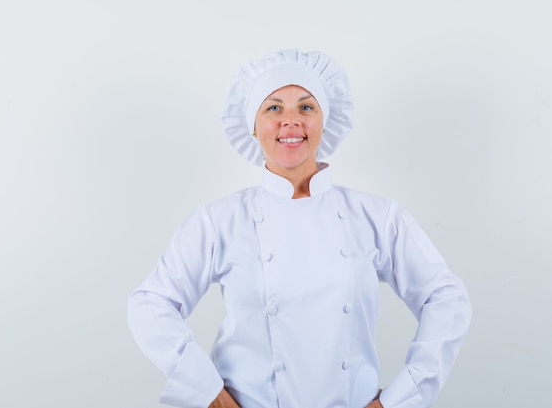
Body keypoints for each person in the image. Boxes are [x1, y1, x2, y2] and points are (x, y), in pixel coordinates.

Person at [127, 49, 472, 408]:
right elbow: (150, 304)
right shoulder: (218, 221)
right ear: (253, 126)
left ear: (325, 121)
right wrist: (206, 391)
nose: (290, 121)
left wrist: (401, 399)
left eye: (306, 108)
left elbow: (446, 298)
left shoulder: (377, 217)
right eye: (273, 108)